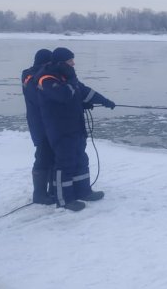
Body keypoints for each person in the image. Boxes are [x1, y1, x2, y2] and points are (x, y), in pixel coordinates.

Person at [36, 47, 116, 211]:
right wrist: (72, 81)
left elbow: (84, 91)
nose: (73, 63)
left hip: (76, 126)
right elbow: (64, 95)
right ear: (61, 62)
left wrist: (105, 101)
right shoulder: (46, 79)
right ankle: (64, 199)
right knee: (65, 163)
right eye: (70, 60)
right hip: (60, 129)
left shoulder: (67, 76)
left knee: (80, 159)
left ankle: (83, 191)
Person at [22, 49, 56, 204]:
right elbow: (37, 95)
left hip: (50, 123)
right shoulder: (29, 76)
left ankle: (53, 189)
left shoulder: (46, 75)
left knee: (53, 155)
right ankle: (40, 194)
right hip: (39, 124)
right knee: (43, 155)